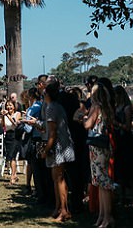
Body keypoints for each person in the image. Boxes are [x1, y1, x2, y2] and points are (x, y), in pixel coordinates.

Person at [40, 82, 75, 223]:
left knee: (59, 179)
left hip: (58, 147)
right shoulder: (58, 107)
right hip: (63, 145)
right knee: (57, 179)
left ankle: (64, 211)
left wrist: (46, 149)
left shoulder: (51, 108)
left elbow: (53, 133)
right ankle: (58, 208)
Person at [83, 83, 116, 228]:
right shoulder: (107, 107)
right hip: (104, 146)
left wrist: (83, 117)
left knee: (102, 183)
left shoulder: (96, 107)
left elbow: (87, 125)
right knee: (102, 183)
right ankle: (103, 215)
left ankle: (106, 216)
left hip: (97, 148)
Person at [1, 100, 22, 185]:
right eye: (7, 106)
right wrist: (3, 116)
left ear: (14, 106)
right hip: (8, 136)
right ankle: (15, 174)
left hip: (15, 136)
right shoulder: (5, 115)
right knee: (9, 157)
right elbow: (3, 125)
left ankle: (12, 176)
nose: (9, 107)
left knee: (12, 156)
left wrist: (8, 116)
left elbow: (15, 124)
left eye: (10, 105)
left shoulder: (17, 114)